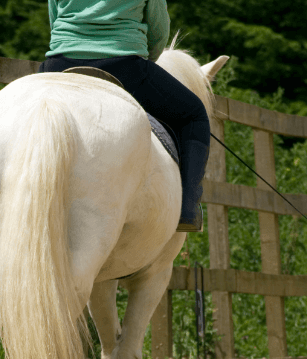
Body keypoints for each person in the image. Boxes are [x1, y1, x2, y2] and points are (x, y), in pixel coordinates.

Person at [39, 0, 210, 232]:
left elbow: (53, 17)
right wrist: (146, 59)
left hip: (59, 63)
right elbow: (159, 30)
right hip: (123, 65)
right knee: (194, 115)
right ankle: (187, 209)